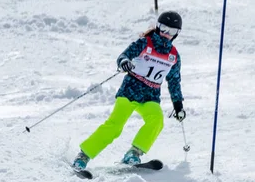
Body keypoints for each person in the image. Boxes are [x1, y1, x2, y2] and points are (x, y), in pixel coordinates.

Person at [72, 11, 186, 170]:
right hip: (130, 91)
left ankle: (134, 153)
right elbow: (124, 55)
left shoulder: (174, 56)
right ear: (158, 27)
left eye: (172, 31)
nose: (166, 34)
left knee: (157, 120)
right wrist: (124, 62)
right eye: (164, 28)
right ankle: (83, 155)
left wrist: (178, 105)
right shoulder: (144, 43)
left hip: (150, 97)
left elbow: (174, 81)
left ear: (176, 34)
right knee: (115, 125)